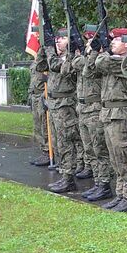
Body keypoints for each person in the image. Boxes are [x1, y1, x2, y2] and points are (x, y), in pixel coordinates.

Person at [94, 28, 127, 212]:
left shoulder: (126, 62)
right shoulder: (113, 60)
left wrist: (102, 49)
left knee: (124, 158)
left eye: (116, 40)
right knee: (115, 158)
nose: (112, 42)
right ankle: (121, 194)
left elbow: (101, 62)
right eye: (111, 40)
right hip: (110, 113)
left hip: (121, 113)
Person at [34, 28, 80, 191]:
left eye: (63, 38)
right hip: (53, 103)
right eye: (56, 39)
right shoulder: (55, 56)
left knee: (66, 141)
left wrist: (48, 50)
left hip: (65, 105)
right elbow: (40, 66)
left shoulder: (73, 57)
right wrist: (42, 48)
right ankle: (64, 173)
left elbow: (55, 66)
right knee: (57, 141)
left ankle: (69, 177)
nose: (58, 41)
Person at [72, 31, 113, 200]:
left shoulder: (102, 58)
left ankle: (104, 184)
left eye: (91, 40)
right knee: (89, 149)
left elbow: (89, 70)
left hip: (95, 108)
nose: (88, 43)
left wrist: (94, 52)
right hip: (83, 108)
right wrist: (87, 52)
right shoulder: (87, 56)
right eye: (87, 40)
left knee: (99, 149)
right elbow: (76, 63)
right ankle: (97, 182)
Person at [28, 57, 51, 167]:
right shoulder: (34, 62)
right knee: (37, 126)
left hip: (42, 94)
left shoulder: (44, 61)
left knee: (44, 125)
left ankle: (48, 152)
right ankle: (43, 150)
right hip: (34, 95)